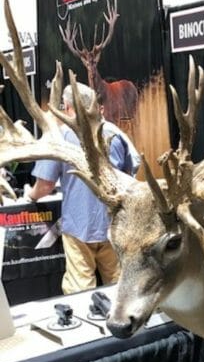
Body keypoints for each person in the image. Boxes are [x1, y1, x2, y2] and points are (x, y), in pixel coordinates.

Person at [24, 82, 137, 294]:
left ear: (67, 107)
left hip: (79, 226)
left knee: (80, 287)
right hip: (114, 224)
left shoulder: (60, 137)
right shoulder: (114, 132)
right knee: (119, 284)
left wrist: (30, 195)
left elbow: (45, 186)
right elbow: (131, 173)